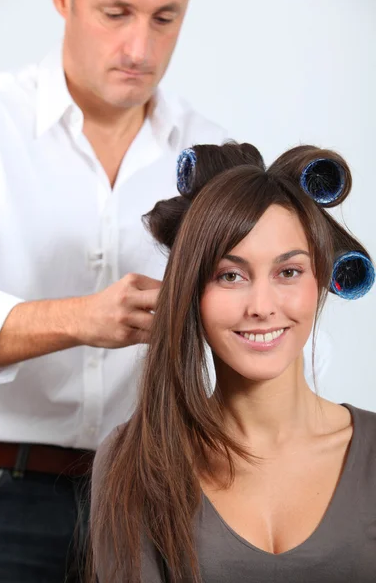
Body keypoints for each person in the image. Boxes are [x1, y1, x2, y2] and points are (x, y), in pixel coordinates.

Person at [0, 0, 329, 581]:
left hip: (153, 493)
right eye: (116, 14)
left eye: (165, 18)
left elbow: (256, 313)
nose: (140, 46)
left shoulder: (212, 154)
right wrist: (80, 319)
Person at [90, 141, 375, 583]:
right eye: (230, 275)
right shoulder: (135, 459)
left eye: (289, 272)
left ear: (320, 281)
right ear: (192, 293)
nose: (261, 306)